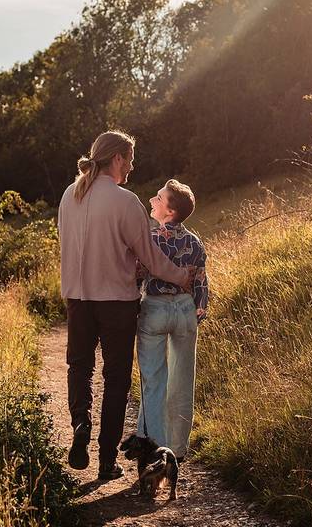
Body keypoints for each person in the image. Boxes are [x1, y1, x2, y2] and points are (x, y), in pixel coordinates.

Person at [57, 131, 194, 480]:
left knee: (80, 368)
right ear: (117, 158)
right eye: (129, 159)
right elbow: (150, 258)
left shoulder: (67, 197)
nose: (131, 167)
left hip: (78, 299)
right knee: (116, 378)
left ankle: (80, 424)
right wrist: (182, 277)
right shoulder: (125, 201)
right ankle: (106, 459)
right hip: (117, 302)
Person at [135, 179, 207, 462]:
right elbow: (201, 281)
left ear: (170, 211)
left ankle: (154, 450)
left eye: (159, 198)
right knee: (182, 379)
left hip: (154, 310)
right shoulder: (194, 241)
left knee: (153, 380)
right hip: (185, 311)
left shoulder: (149, 241)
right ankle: (177, 449)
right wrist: (198, 311)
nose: (153, 200)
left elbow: (137, 277)